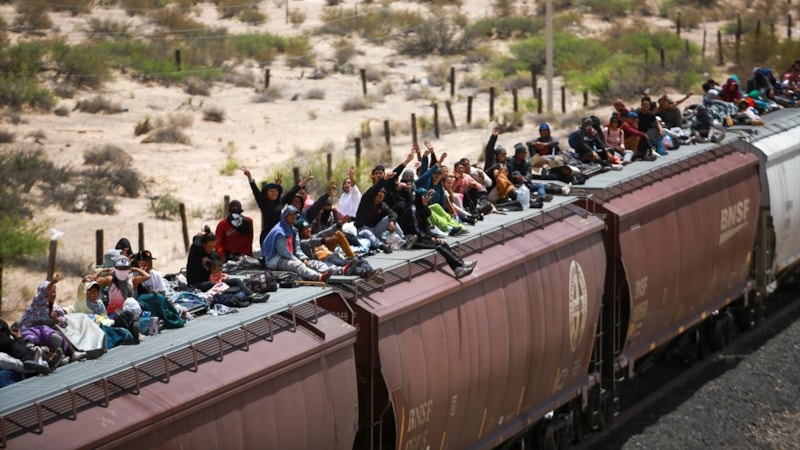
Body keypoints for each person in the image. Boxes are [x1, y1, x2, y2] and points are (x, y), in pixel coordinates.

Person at [402, 189, 477, 279]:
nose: (427, 199)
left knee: (443, 243)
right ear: (418, 198)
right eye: (424, 197)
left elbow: (426, 226)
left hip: (421, 236)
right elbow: (417, 229)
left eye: (428, 197)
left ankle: (458, 267)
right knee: (439, 246)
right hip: (412, 239)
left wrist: (433, 236)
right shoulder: (413, 210)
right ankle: (460, 265)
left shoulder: (422, 207)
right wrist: (430, 238)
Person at [296, 217, 384, 282]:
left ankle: (371, 273)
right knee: (347, 265)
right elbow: (312, 242)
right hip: (325, 259)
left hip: (333, 255)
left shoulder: (314, 236)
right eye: (305, 229)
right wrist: (325, 240)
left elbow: (326, 232)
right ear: (300, 232)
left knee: (361, 261)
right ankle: (365, 273)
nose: (309, 230)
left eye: (309, 227)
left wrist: (339, 224)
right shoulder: (302, 243)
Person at [262, 206, 332, 282]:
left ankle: (335, 272)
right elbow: (283, 252)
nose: (294, 217)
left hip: (291, 257)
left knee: (312, 263)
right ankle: (318, 277)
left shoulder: (293, 230)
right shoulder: (280, 232)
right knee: (297, 265)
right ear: (285, 216)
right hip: (276, 259)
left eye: (295, 215)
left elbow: (297, 247)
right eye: (291, 215)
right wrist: (297, 260)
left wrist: (303, 258)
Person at [186, 228, 259, 301]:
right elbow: (195, 243)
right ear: (203, 244)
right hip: (197, 284)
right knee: (216, 285)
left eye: (213, 247)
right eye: (209, 246)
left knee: (236, 281)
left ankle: (252, 295)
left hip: (214, 281)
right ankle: (237, 297)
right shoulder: (196, 252)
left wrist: (222, 276)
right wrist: (199, 236)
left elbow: (218, 269)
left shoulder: (213, 255)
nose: (211, 249)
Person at [243, 166, 284, 245]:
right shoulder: (264, 204)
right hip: (267, 236)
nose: (273, 193)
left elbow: (278, 199)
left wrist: (276, 185)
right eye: (271, 191)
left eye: (275, 191)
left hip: (280, 235)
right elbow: (255, 191)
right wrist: (249, 177)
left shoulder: (279, 203)